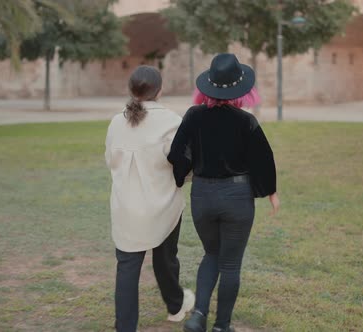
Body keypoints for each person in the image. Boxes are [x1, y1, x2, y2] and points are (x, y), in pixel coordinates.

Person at [167, 54, 280, 332]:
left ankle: (198, 316)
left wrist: (180, 178)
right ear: (242, 90)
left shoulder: (194, 116)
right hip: (237, 199)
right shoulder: (246, 122)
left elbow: (176, 154)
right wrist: (271, 193)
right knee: (230, 264)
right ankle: (222, 326)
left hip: (203, 197)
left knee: (211, 254)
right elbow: (263, 159)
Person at [105, 65, 195, 332]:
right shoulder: (171, 122)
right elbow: (184, 164)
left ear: (131, 90)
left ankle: (125, 327)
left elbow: (111, 160)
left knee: (127, 268)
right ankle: (176, 305)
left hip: (126, 207)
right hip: (162, 204)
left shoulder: (116, 122)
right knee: (165, 258)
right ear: (160, 90)